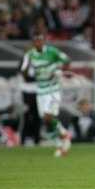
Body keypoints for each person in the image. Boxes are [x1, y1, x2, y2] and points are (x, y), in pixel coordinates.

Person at [20, 29, 71, 157]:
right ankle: (60, 145)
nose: (38, 43)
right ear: (33, 42)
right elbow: (24, 72)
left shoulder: (52, 52)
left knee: (48, 117)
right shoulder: (30, 54)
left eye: (40, 40)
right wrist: (27, 65)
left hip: (53, 89)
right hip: (41, 90)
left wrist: (58, 69)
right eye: (36, 40)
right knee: (46, 120)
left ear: (44, 41)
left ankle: (64, 133)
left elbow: (67, 61)